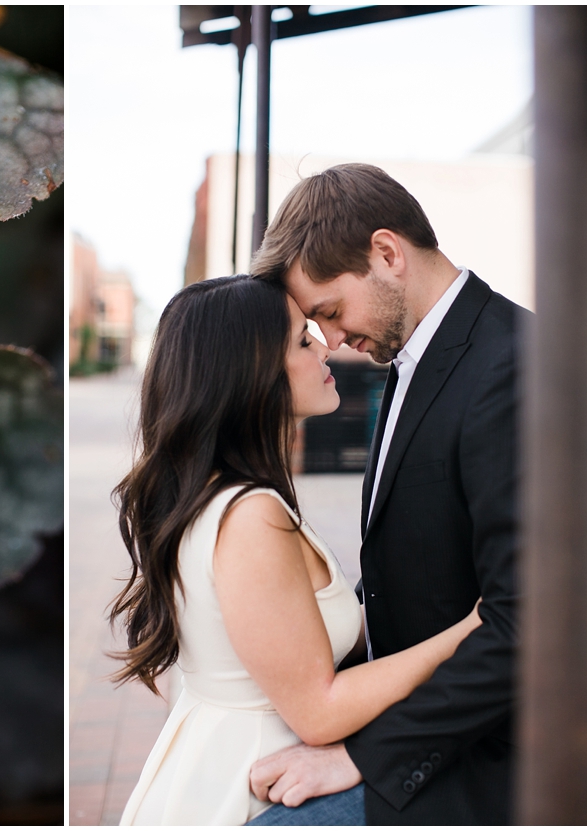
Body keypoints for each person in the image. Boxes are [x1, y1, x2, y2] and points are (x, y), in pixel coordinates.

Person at [111, 274, 482, 825]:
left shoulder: (214, 493)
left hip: (232, 762)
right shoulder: (248, 515)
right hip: (259, 790)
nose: (326, 347)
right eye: (302, 341)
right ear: (252, 374)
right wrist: (474, 627)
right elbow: (319, 711)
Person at [246, 163, 526, 825]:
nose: (334, 340)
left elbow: (530, 622)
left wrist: (370, 753)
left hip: (483, 761)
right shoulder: (409, 359)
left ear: (387, 253)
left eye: (332, 313)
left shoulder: (513, 365)